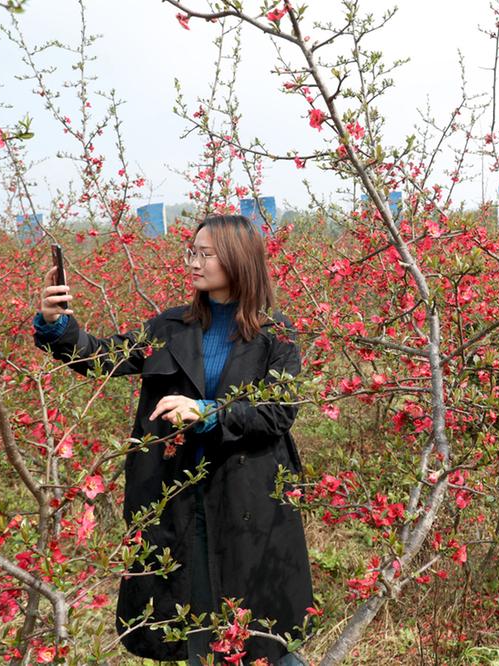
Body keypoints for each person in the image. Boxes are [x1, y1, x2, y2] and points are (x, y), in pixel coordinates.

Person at [33, 215, 313, 665]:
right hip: (181, 500)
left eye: (206, 254)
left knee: (263, 635)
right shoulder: (170, 327)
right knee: (196, 621)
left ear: (239, 260)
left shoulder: (273, 334)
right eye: (192, 252)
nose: (194, 262)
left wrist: (206, 413)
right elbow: (102, 357)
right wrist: (56, 325)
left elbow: (278, 412)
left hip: (247, 503)